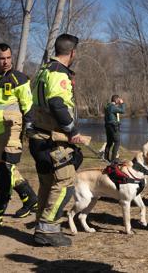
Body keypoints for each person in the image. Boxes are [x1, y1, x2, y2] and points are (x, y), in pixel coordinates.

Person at [29, 34, 85, 247]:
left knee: (47, 183)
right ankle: (48, 228)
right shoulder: (58, 72)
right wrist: (72, 130)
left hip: (38, 137)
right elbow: (57, 103)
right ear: (72, 53)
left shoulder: (43, 70)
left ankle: (41, 227)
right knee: (66, 182)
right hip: (51, 139)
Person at [0, 43, 38, 228]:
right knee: (3, 168)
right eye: (2, 58)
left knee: (5, 169)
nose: (6, 61)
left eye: (9, 57)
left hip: (12, 129)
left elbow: (28, 105)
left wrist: (30, 128)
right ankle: (31, 200)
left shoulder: (19, 79)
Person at [104, 95, 125, 162]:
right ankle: (113, 159)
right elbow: (122, 111)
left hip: (108, 126)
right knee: (117, 142)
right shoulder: (112, 107)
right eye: (118, 100)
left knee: (109, 142)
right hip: (113, 126)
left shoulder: (108, 106)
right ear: (116, 100)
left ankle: (106, 157)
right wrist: (122, 103)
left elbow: (116, 111)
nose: (119, 101)